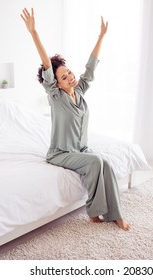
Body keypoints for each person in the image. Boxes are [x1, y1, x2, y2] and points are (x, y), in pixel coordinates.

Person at [20, 8, 130, 231]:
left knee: (105, 163)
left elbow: (90, 67)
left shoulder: (79, 91)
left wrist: (101, 37)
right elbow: (47, 65)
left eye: (68, 72)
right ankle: (93, 211)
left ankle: (115, 214)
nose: (69, 76)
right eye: (63, 76)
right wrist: (34, 32)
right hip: (60, 153)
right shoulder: (55, 96)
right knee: (96, 161)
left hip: (81, 149)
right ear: (55, 83)